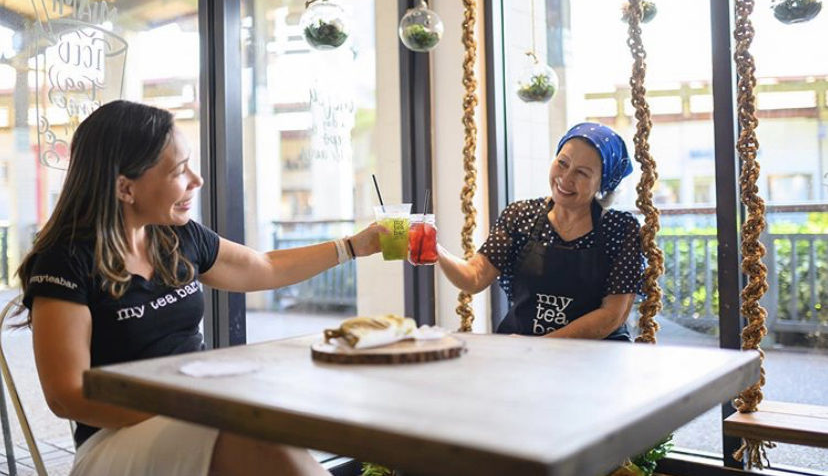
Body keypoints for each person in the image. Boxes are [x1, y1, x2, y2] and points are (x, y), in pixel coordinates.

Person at [15, 100, 388, 476]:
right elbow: (66, 395)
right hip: (112, 441)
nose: (197, 180)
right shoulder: (65, 261)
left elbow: (266, 267)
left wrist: (353, 246)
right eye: (179, 170)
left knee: (265, 423)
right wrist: (193, 404)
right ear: (125, 188)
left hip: (198, 417)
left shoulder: (176, 236)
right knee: (250, 431)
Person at [438, 122, 643, 341]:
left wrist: (541, 346)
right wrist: (434, 249)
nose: (566, 178)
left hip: (592, 355)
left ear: (603, 183)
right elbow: (475, 277)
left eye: (582, 173)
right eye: (562, 163)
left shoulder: (620, 229)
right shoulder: (521, 215)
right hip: (522, 349)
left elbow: (612, 315)